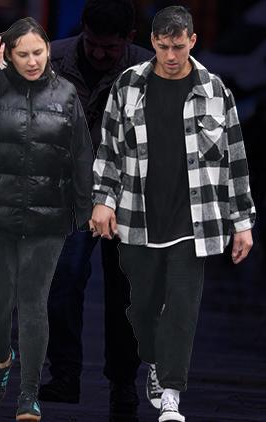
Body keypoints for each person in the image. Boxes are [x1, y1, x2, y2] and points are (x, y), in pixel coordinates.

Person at [91, 6, 256, 422]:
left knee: (182, 306)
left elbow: (235, 160)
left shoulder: (216, 91)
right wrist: (102, 200)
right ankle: (154, 361)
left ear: (192, 41)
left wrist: (243, 223)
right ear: (152, 43)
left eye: (178, 47)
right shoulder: (128, 86)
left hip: (193, 221)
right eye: (163, 47)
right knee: (142, 309)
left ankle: (171, 393)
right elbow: (109, 151)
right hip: (136, 216)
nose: (170, 55)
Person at [0, 18, 94, 421]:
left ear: (48, 51)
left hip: (47, 214)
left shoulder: (67, 95)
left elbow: (82, 156)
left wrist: (84, 211)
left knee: (33, 304)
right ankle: (1, 360)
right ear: (9, 56)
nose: (32, 61)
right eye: (23, 54)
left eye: (39, 52)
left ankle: (29, 393)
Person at [40, 0, 152, 413]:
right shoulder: (50, 60)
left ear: (130, 38)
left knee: (127, 293)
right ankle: (65, 374)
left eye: (110, 48)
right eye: (92, 44)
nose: (99, 54)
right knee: (62, 281)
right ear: (82, 30)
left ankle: (123, 382)